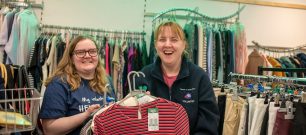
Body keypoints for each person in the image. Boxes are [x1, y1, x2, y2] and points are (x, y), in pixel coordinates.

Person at [139, 21, 219, 135]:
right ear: (156, 45)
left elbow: (209, 125)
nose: (167, 44)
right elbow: (133, 122)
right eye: (162, 39)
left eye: (174, 39)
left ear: (184, 44)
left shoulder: (199, 77)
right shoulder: (143, 76)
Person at [39, 35, 115, 135]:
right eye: (81, 52)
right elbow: (49, 129)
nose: (87, 56)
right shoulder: (58, 84)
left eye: (92, 51)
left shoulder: (106, 80)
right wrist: (86, 115)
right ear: (71, 58)